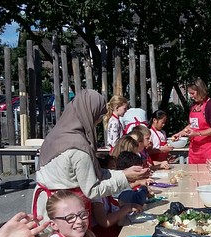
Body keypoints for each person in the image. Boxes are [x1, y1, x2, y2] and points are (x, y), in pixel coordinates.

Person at [32, 90, 148, 221]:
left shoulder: (56, 135)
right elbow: (93, 190)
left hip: (50, 207)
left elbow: (90, 173)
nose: (98, 121)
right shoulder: (77, 147)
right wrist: (124, 178)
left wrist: (124, 173)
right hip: (64, 215)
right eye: (98, 116)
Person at [91, 156, 143, 237]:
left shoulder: (106, 193)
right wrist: (127, 208)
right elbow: (104, 222)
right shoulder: (96, 196)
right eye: (112, 169)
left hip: (113, 235)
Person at [173, 78, 211, 164]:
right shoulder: (194, 105)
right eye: (190, 93)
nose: (191, 96)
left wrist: (197, 134)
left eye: (192, 93)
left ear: (200, 91)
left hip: (209, 149)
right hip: (195, 150)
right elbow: (192, 125)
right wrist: (180, 133)